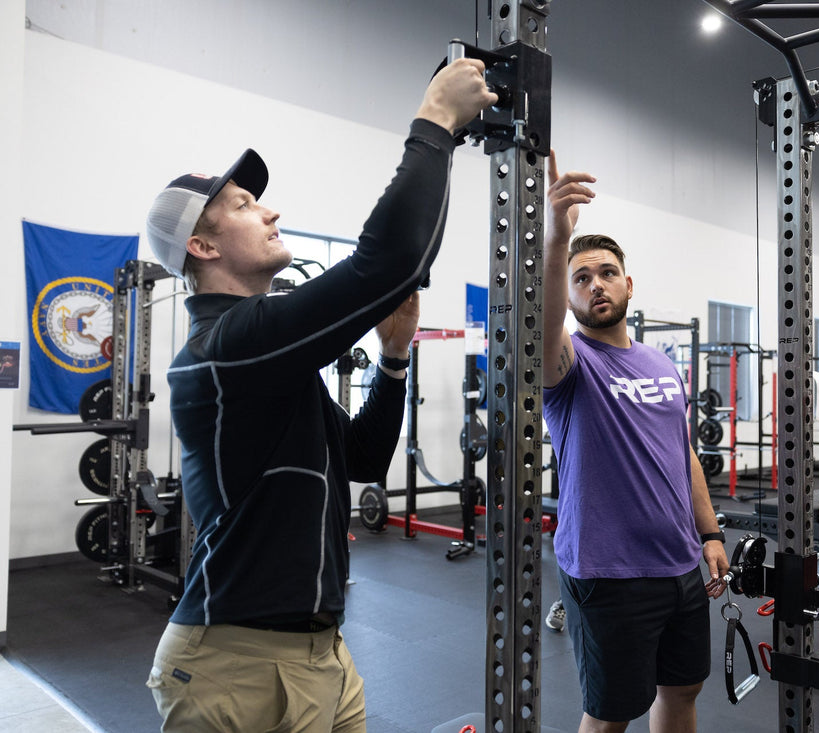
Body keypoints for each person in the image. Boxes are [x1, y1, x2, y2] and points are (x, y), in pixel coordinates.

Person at [142, 59, 496, 733]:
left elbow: (360, 456)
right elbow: (387, 261)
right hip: (232, 666)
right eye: (244, 205)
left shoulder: (269, 363)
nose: (269, 207)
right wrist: (435, 123)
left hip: (325, 655)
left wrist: (393, 357)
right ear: (201, 243)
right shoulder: (225, 348)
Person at [541, 151, 730, 733]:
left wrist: (710, 532)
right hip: (608, 574)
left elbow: (684, 454)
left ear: (628, 283)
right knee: (610, 716)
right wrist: (554, 242)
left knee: (681, 692)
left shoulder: (662, 363)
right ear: (569, 296)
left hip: (678, 566)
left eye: (605, 273)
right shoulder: (570, 364)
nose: (595, 285)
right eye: (581, 278)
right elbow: (541, 325)